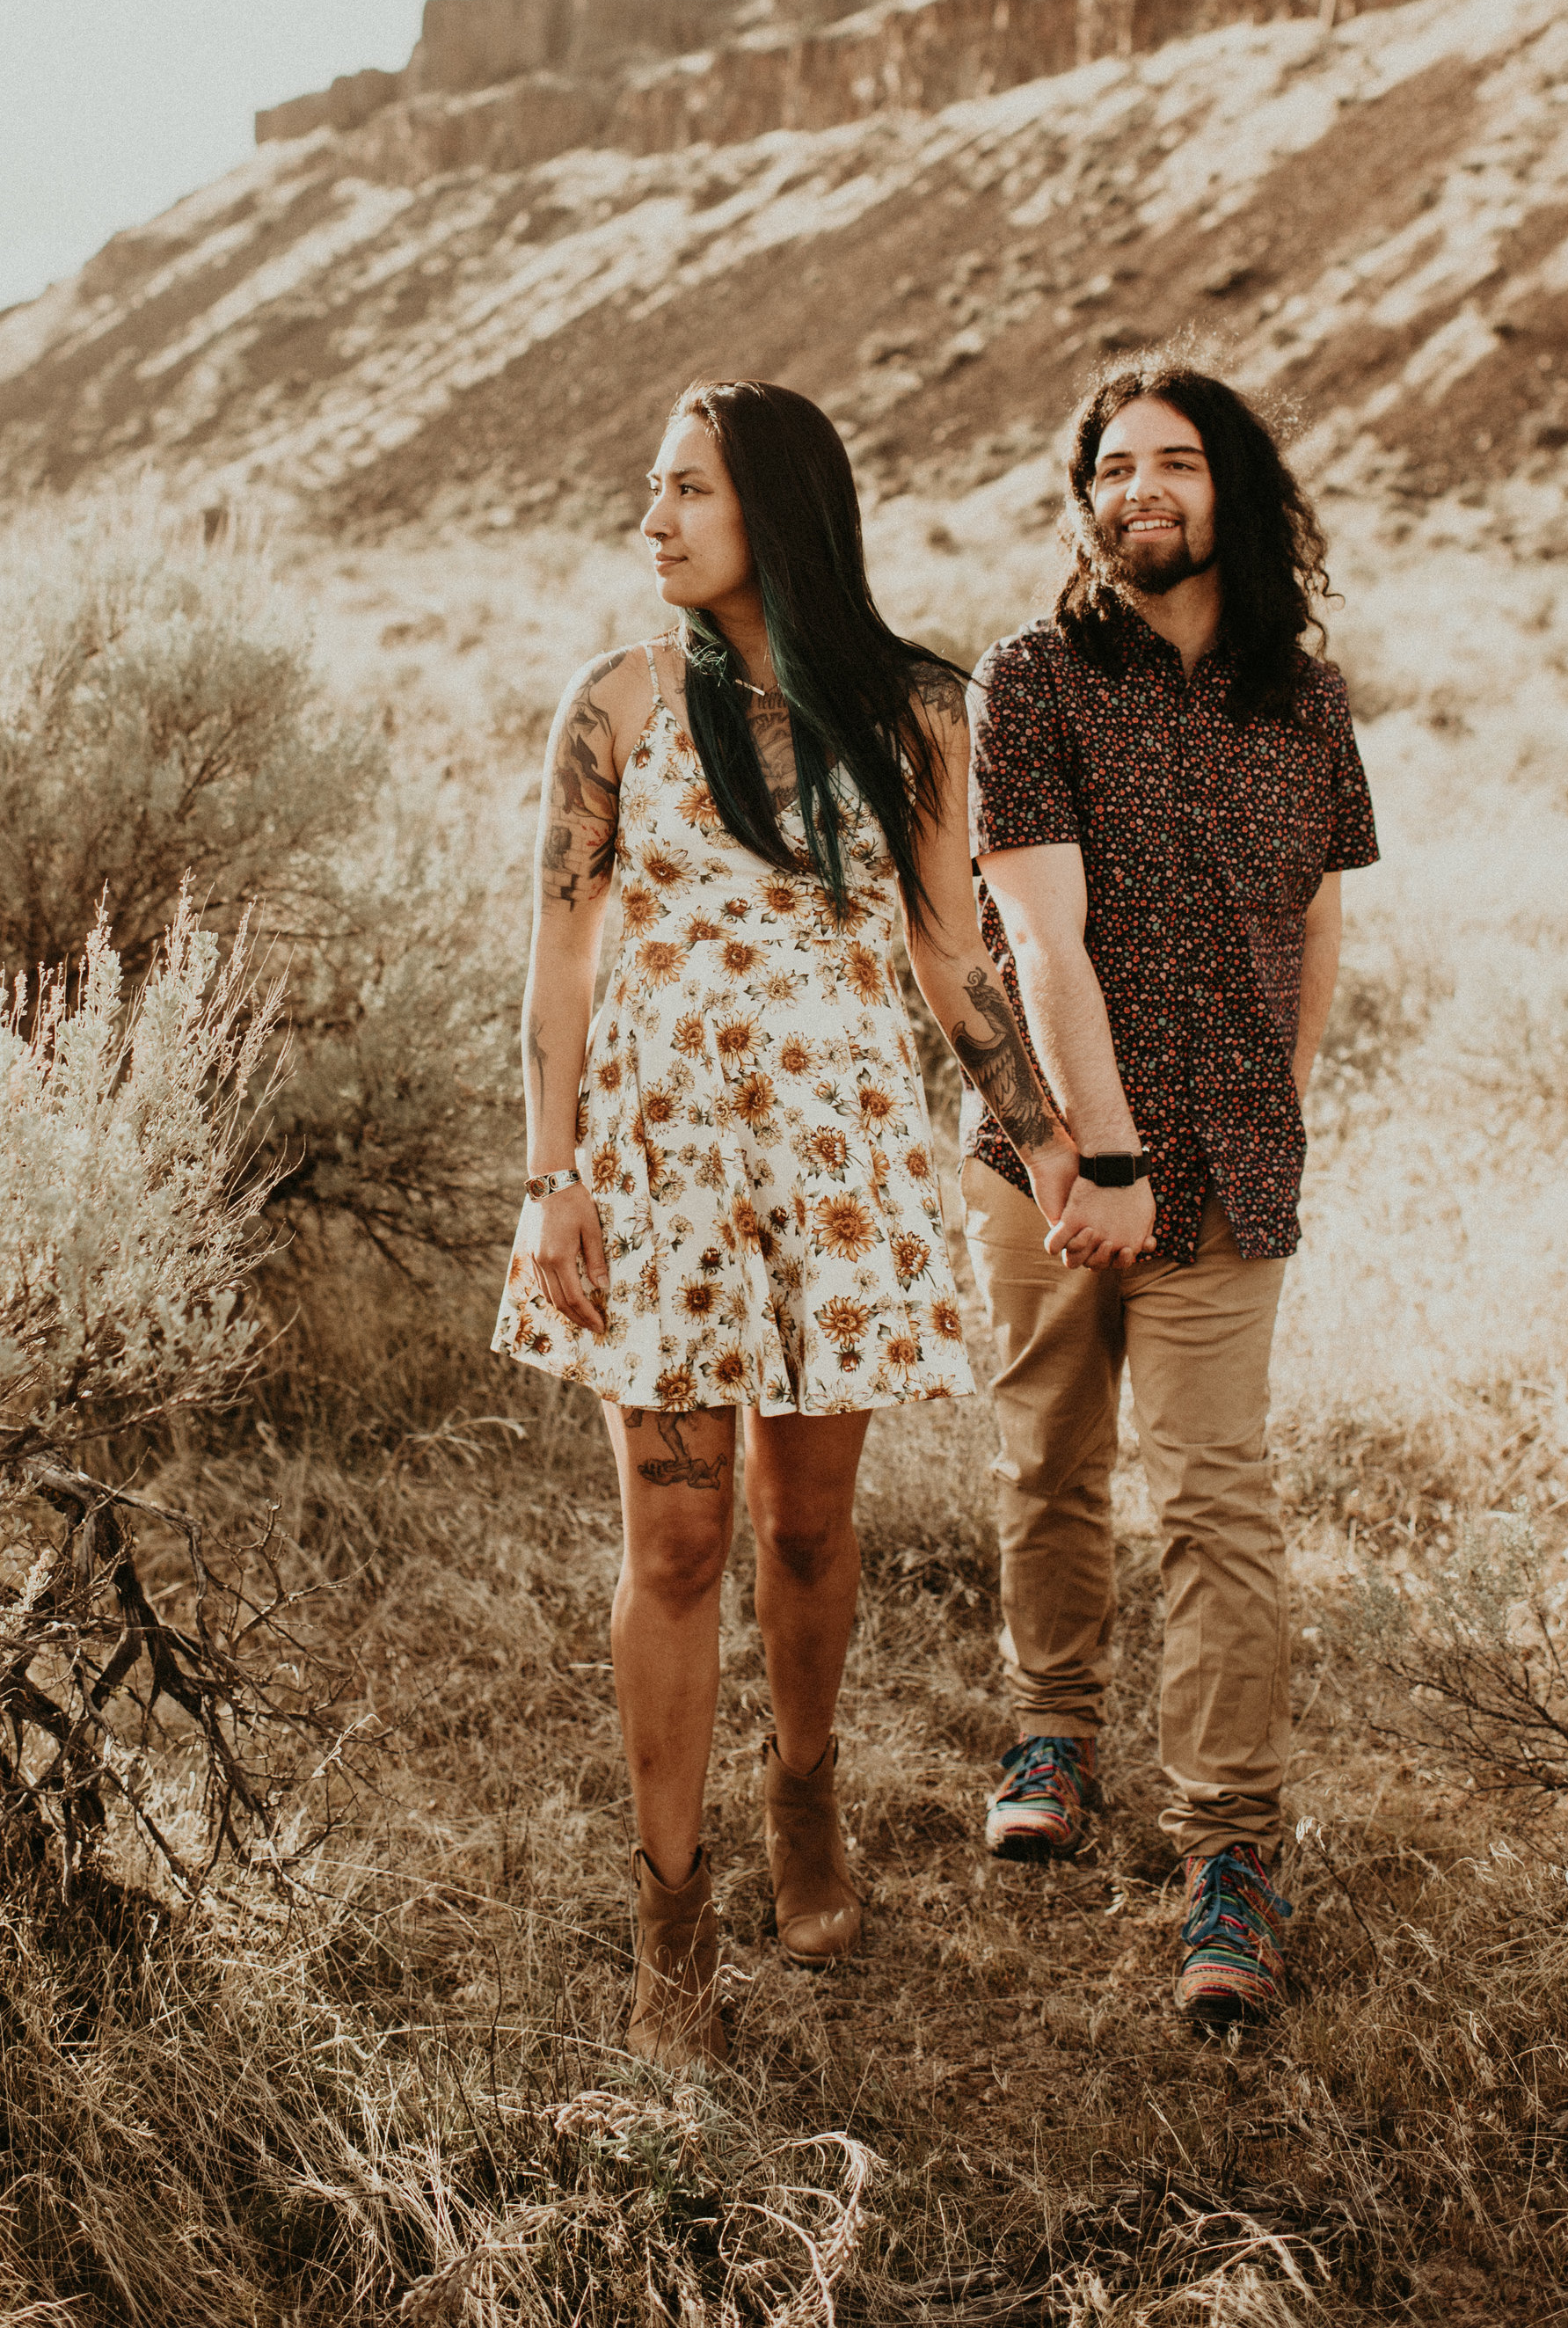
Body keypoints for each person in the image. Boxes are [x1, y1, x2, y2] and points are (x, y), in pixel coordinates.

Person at [494, 378, 1073, 2066]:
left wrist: (1048, 1145)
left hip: (840, 1172)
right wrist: (551, 1179)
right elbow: (560, 956)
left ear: (780, 511)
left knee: (807, 1532)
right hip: (660, 1167)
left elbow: (949, 956)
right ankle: (670, 1925)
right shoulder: (611, 705)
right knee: (674, 1544)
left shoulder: (910, 712)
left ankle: (801, 1789)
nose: (653, 517)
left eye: (686, 489)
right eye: (648, 487)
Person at [962, 353, 1378, 2028]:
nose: (1144, 488)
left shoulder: (1308, 697)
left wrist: (1273, 1103)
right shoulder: (1032, 679)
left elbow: (1322, 922)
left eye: (1178, 461)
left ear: (1237, 492)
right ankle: (1054, 1728)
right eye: (1115, 465)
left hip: (1230, 1174)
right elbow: (1039, 937)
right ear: (1086, 500)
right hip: (1057, 1163)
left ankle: (1233, 1856)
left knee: (1219, 1502)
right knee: (1050, 1456)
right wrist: (1103, 1156)